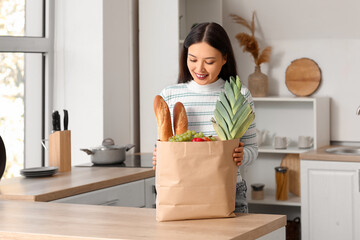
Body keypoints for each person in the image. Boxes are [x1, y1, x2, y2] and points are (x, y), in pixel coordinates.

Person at [153, 22, 258, 213]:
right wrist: (159, 155)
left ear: (225, 58)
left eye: (209, 62)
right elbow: (165, 146)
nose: (199, 68)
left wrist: (243, 155)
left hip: (227, 189)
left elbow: (252, 149)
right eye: (192, 59)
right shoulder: (170, 95)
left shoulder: (238, 94)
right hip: (182, 188)